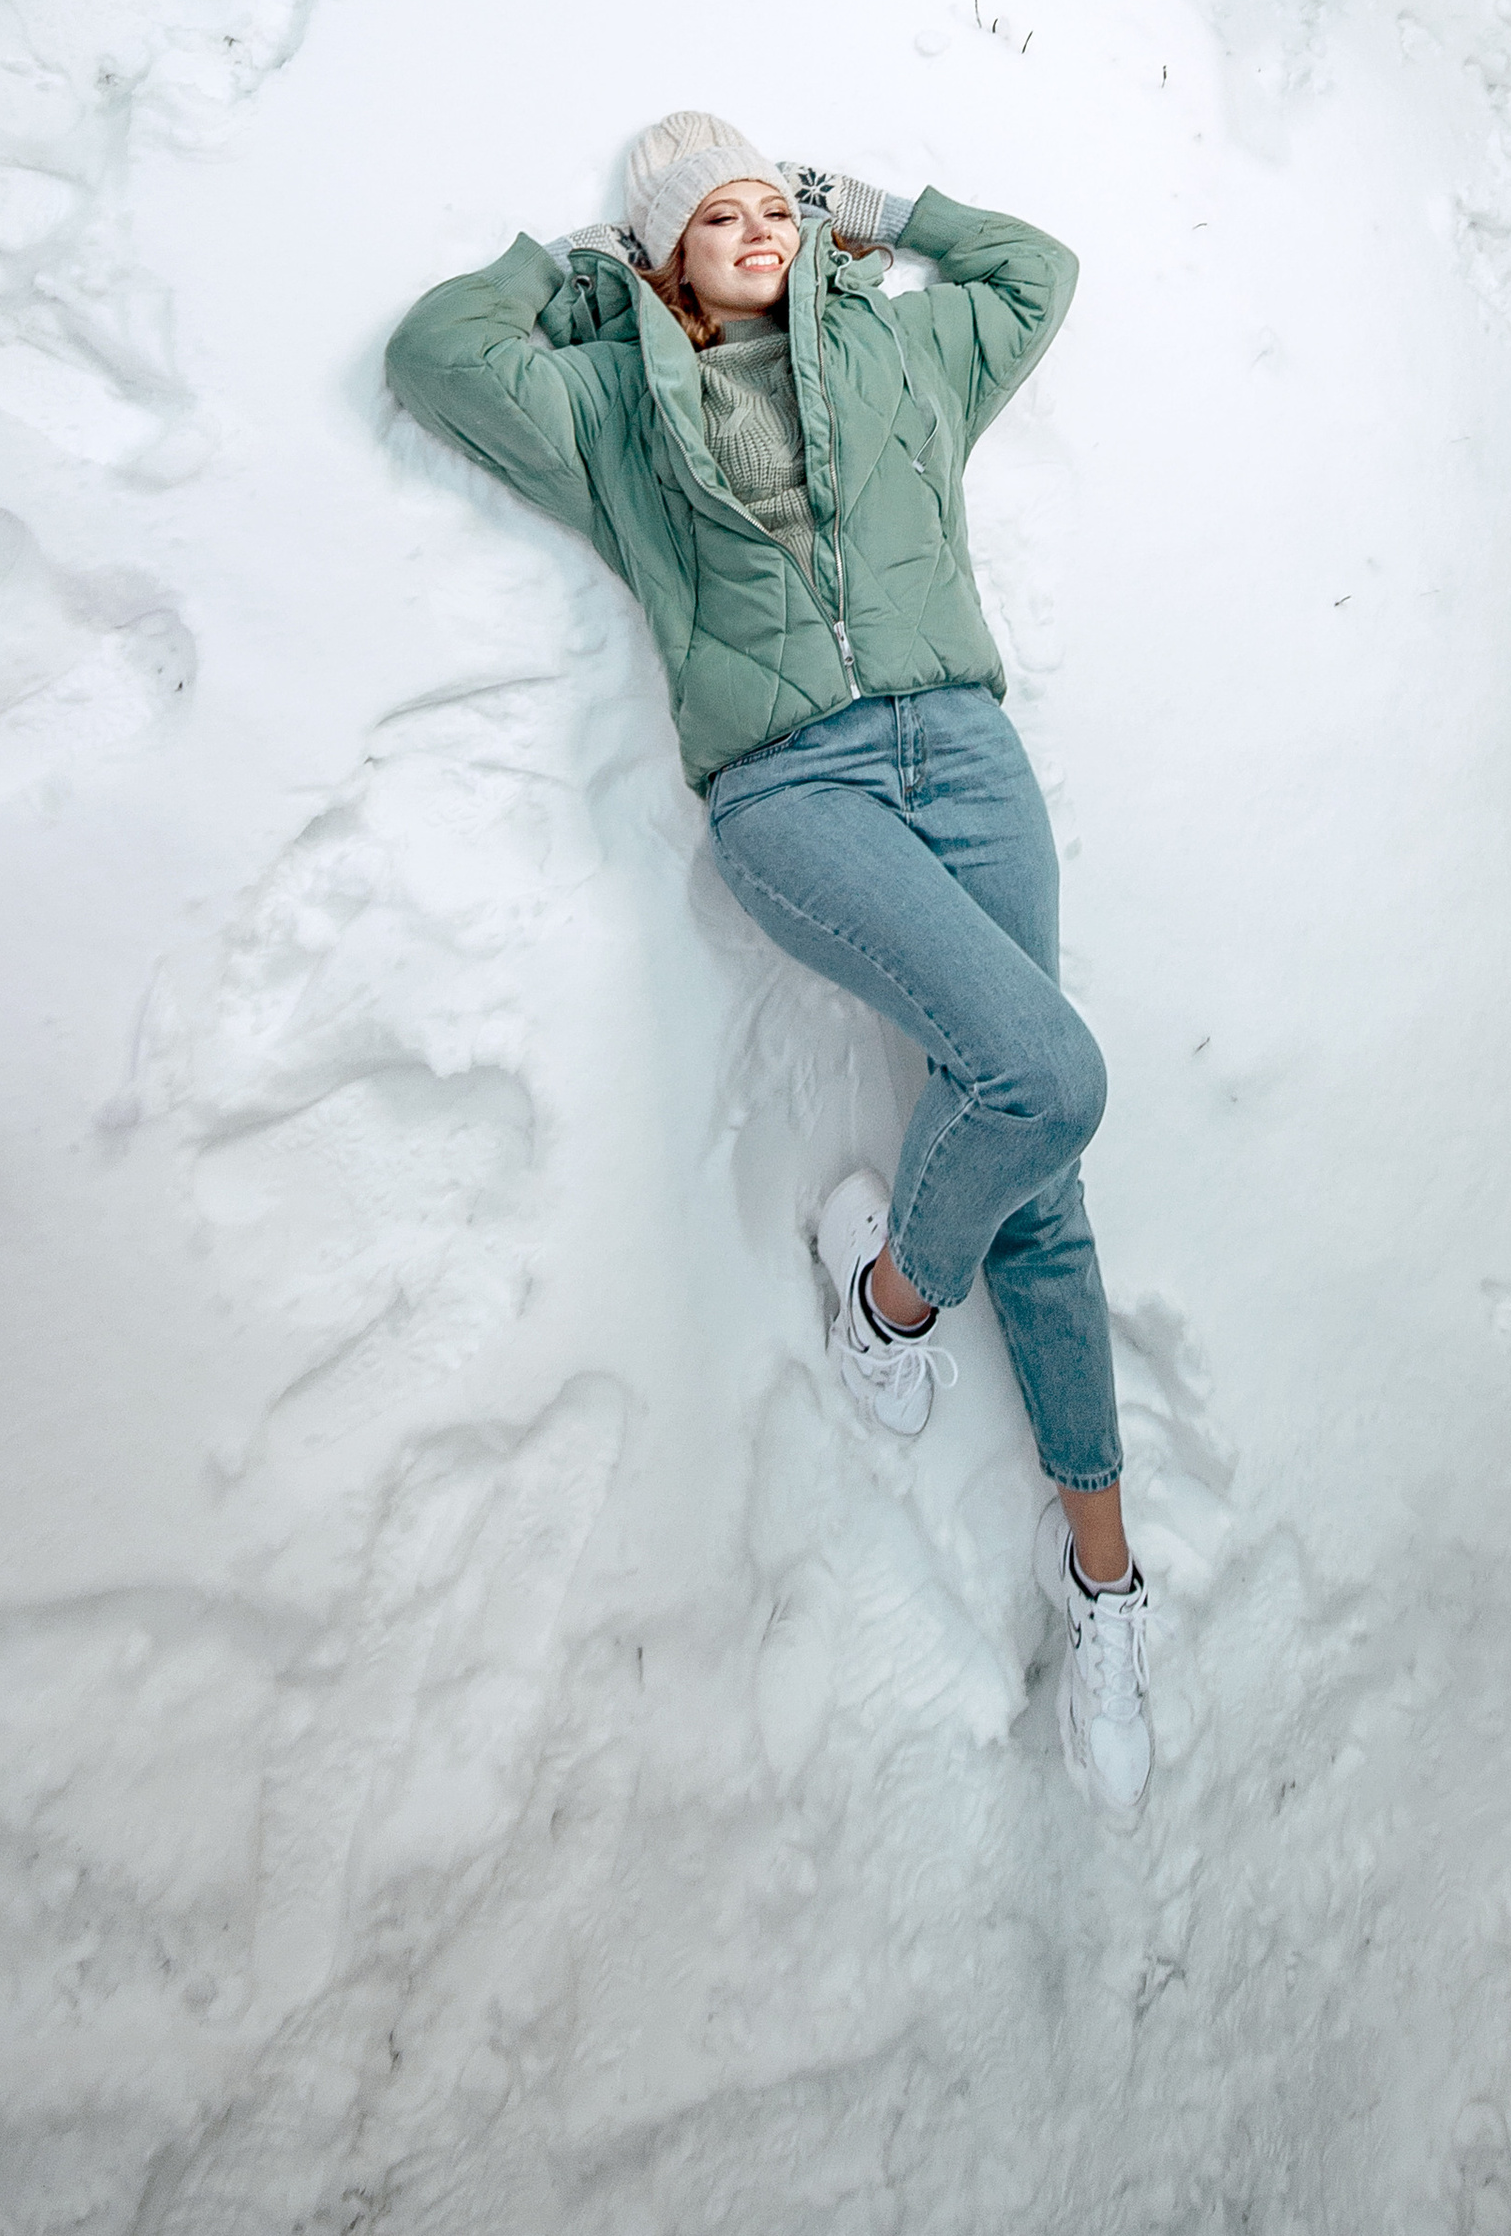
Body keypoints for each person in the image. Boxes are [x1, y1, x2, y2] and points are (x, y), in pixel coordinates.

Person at [386, 108, 1150, 1813]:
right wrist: (570, 276)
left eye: (771, 204)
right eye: (710, 216)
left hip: (964, 750)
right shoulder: (611, 406)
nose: (755, 226)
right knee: (1050, 1077)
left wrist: (890, 206)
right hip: (792, 786)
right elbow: (438, 354)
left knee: (1041, 1155)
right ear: (667, 257)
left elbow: (1039, 274)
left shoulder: (901, 348)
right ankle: (887, 1302)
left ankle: (1100, 1568)